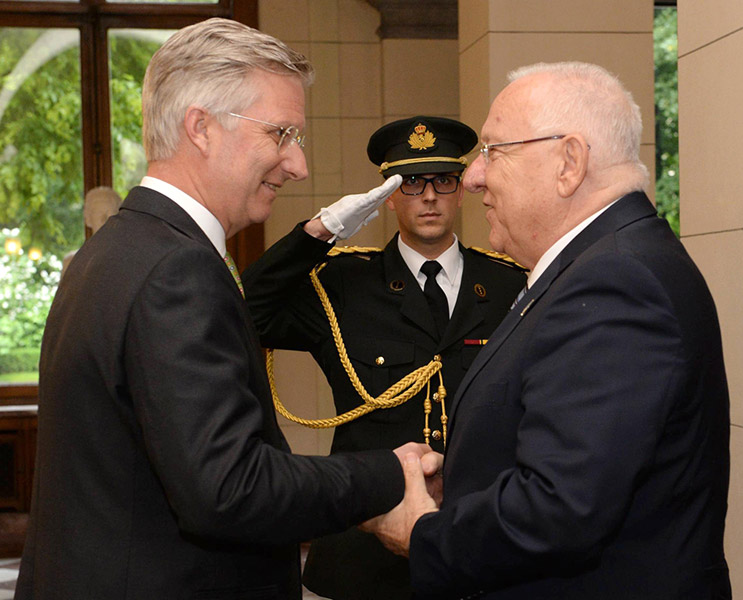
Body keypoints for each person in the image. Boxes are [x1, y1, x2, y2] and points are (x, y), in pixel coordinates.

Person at [15, 18, 438, 600]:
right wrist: (390, 474)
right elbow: (228, 488)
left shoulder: (112, 252)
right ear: (201, 127)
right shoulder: (177, 270)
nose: (299, 166)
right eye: (281, 134)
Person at [363, 62, 732, 599]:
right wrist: (464, 479)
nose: (473, 176)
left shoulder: (615, 280)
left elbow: (561, 508)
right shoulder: (599, 263)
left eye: (494, 151)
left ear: (569, 162)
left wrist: (424, 533)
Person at [242, 116, 527, 599]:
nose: (430, 196)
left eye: (443, 180)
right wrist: (318, 233)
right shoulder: (344, 283)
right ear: (389, 195)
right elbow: (241, 311)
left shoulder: (508, 284)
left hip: (479, 540)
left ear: (462, 191)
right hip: (365, 550)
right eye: (412, 183)